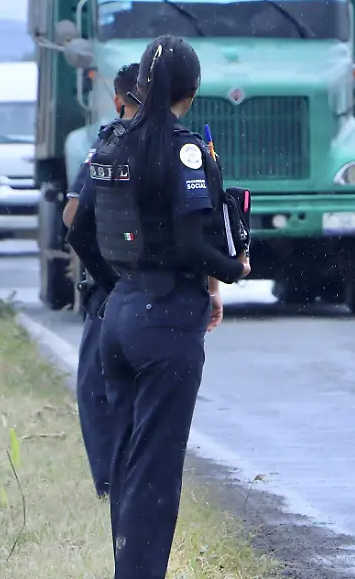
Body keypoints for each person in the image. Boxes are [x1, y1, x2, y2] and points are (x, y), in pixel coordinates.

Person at [84, 35, 250, 578]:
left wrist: (118, 285)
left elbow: (80, 228)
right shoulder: (182, 149)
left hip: (120, 316)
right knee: (155, 474)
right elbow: (188, 243)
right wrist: (232, 269)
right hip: (166, 325)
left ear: (141, 88)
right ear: (193, 90)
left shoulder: (112, 143)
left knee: (129, 465)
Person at [62, 63, 142, 499]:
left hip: (112, 291)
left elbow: (73, 216)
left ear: (118, 100)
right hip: (173, 298)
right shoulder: (191, 147)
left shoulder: (109, 143)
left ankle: (111, 485)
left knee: (98, 389)